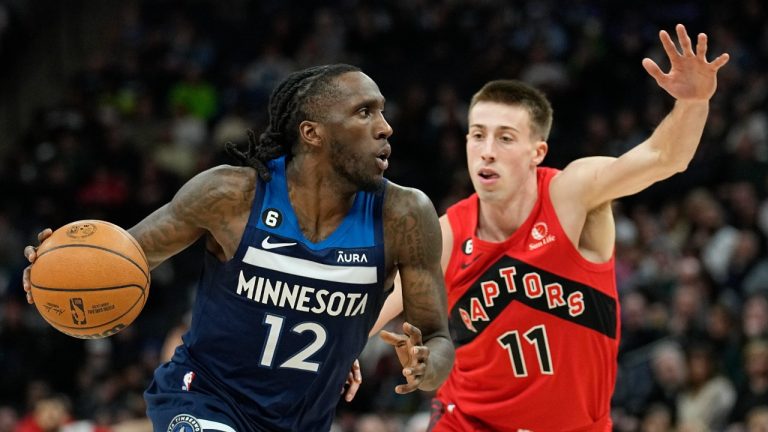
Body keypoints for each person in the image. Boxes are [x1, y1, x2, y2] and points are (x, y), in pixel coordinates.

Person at [22, 64, 455, 432]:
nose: (386, 127)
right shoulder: (232, 195)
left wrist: (424, 364)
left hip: (303, 418)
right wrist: (59, 269)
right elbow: (121, 257)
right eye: (365, 112)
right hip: (203, 397)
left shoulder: (403, 215)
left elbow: (436, 337)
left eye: (382, 111)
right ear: (312, 133)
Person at [372, 24, 729, 431]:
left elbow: (664, 156)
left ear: (536, 151)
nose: (486, 152)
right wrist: (340, 356)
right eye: (477, 135)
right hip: (468, 421)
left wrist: (694, 103)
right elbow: (372, 307)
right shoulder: (449, 232)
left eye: (505, 138)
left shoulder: (573, 195)